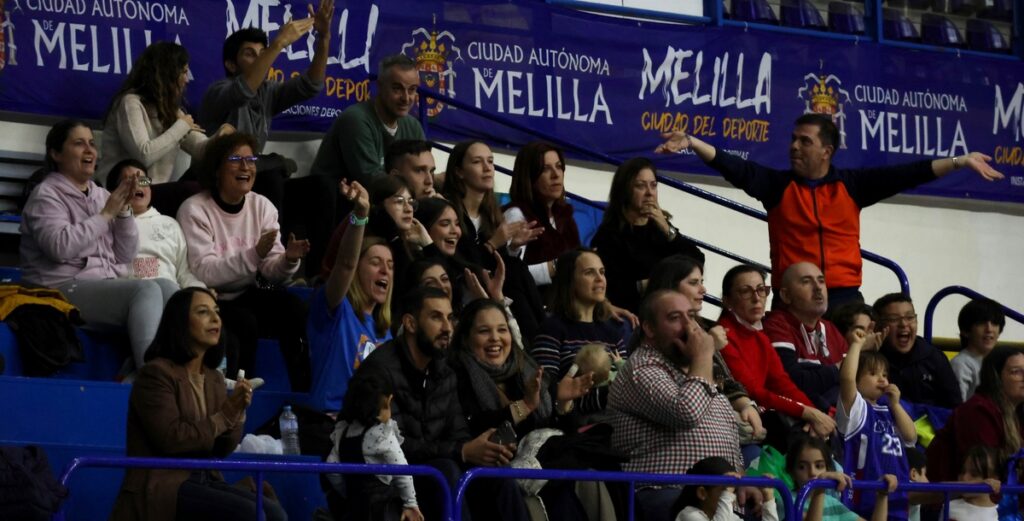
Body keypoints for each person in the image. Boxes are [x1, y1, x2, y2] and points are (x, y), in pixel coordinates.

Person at [657, 114, 1004, 309]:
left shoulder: (852, 186)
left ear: (827, 151)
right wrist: (692, 142)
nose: (794, 146)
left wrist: (961, 161)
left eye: (804, 141)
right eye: (793, 139)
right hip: (791, 299)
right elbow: (735, 167)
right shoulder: (777, 186)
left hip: (844, 298)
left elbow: (909, 173)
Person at [109, 287, 285, 521]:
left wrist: (238, 412)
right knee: (250, 513)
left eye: (217, 311)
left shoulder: (213, 378)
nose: (215, 319)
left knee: (275, 513)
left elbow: (222, 448)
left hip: (205, 478)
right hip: (163, 482)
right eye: (203, 312)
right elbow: (172, 439)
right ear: (180, 322)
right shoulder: (156, 374)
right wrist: (225, 415)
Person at [354, 286, 512, 521]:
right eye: (436, 317)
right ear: (410, 323)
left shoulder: (445, 370)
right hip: (386, 483)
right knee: (445, 471)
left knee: (497, 476)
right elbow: (389, 446)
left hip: (432, 475)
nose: (448, 328)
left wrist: (480, 449)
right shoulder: (380, 371)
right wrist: (462, 451)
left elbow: (458, 434)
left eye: (450, 318)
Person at [20, 119, 165, 369]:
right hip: (59, 289)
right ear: (56, 153)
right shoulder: (46, 195)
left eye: (91, 143)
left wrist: (124, 212)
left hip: (103, 284)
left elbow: (125, 255)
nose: (89, 150)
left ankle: (192, 375)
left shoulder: (101, 195)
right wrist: (106, 215)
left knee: (169, 288)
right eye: (79, 143)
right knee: (147, 290)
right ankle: (150, 377)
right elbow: (60, 247)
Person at [177, 133, 310, 388]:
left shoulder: (262, 207)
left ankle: (301, 391)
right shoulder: (194, 209)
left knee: (294, 308)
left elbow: (271, 270)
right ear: (216, 168)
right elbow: (205, 272)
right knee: (244, 322)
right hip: (212, 297)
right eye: (236, 159)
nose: (246, 166)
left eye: (251, 160)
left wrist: (288, 261)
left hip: (247, 290)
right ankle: (241, 400)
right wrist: (254, 254)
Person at [449, 297, 594, 520]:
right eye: (484, 331)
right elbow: (477, 427)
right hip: (489, 485)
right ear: (466, 338)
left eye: (502, 330)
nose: (495, 338)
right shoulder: (457, 373)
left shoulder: (524, 368)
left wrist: (564, 404)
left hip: (543, 477)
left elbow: (563, 434)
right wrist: (524, 406)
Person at [609, 289, 744, 520]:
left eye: (691, 316)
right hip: (665, 491)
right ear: (649, 328)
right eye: (674, 318)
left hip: (719, 498)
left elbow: (730, 437)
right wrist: (703, 357)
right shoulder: (641, 367)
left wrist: (743, 481)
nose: (689, 327)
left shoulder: (693, 369)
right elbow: (686, 413)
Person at [643, 256, 767, 458]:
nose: (703, 290)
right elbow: (687, 409)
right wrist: (706, 351)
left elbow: (727, 381)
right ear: (669, 287)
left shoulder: (704, 329)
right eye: (693, 283)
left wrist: (745, 404)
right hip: (682, 447)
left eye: (702, 282)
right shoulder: (654, 342)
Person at [441, 140, 547, 342]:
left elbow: (500, 264)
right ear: (459, 172)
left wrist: (513, 247)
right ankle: (540, 342)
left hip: (493, 289)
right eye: (477, 162)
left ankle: (543, 338)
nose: (487, 168)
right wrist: (493, 243)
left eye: (490, 161)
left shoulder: (491, 214)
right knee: (514, 270)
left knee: (515, 267)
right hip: (465, 289)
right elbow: (460, 262)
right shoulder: (448, 211)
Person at [716, 264, 833, 444]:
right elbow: (752, 390)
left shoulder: (760, 335)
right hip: (740, 419)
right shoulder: (723, 335)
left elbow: (782, 382)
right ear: (727, 300)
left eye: (761, 290)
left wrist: (812, 413)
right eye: (746, 292)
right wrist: (806, 412)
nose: (756, 299)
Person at [308, 180, 395, 412]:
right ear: (357, 271)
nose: (385, 271)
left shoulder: (386, 332)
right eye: (375, 263)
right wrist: (360, 215)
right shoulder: (335, 309)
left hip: (371, 429)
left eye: (390, 265)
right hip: (328, 422)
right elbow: (345, 264)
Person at [98, 41, 232, 185]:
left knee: (202, 182)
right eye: (184, 72)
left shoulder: (170, 110)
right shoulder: (130, 102)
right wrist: (182, 126)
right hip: (121, 188)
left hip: (150, 192)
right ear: (167, 74)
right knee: (189, 190)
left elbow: (202, 151)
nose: (187, 80)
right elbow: (144, 155)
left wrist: (220, 137)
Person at [592, 157, 705, 313]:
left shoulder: (660, 227)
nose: (649, 193)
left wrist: (667, 229)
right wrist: (655, 283)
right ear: (625, 190)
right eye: (640, 186)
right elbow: (612, 289)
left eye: (653, 185)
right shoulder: (609, 235)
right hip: (634, 314)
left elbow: (697, 260)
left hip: (668, 310)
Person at [530, 249, 629, 421]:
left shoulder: (613, 332)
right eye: (589, 272)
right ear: (570, 281)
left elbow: (627, 380)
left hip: (617, 422)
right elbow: (544, 393)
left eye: (602, 272)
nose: (600, 279)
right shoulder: (552, 329)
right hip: (572, 424)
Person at [309, 54, 425, 192]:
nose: (406, 98)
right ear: (380, 86)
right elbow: (372, 182)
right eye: (397, 88)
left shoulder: (413, 126)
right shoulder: (355, 120)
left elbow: (424, 170)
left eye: (412, 89)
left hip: (386, 201)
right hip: (334, 203)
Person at [837, 327, 915, 520]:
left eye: (885, 374)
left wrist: (895, 405)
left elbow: (911, 436)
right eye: (873, 373)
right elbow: (847, 379)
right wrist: (857, 345)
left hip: (896, 495)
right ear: (858, 379)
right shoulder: (857, 410)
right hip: (863, 497)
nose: (882, 379)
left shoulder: (890, 409)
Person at [106, 159, 205, 303]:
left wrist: (202, 292)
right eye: (129, 181)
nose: (137, 185)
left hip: (169, 294)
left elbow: (184, 273)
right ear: (113, 192)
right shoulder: (109, 224)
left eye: (144, 181)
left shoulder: (170, 224)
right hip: (129, 295)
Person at [327, 373, 423, 521]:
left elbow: (332, 469)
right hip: (382, 511)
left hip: (355, 511)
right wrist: (410, 503)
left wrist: (348, 492)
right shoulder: (381, 434)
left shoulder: (342, 432)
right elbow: (402, 469)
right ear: (385, 403)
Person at [926, 346, 1024, 482]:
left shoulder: (1018, 412)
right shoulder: (977, 411)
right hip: (953, 499)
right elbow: (982, 473)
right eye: (1016, 372)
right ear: (996, 377)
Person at [763, 262, 848, 412]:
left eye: (821, 281)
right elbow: (795, 381)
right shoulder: (776, 325)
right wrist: (839, 368)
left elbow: (854, 380)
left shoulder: (831, 329)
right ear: (786, 295)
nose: (818, 287)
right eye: (806, 282)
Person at [503, 141, 582, 289]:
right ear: (529, 177)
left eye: (559, 167)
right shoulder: (516, 215)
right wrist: (557, 267)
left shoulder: (564, 215)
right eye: (546, 169)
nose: (556, 175)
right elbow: (510, 274)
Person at [873, 293, 961, 408]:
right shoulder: (870, 359)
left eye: (910, 318)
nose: (904, 324)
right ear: (878, 326)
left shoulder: (934, 357)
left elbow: (954, 406)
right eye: (894, 319)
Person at [786, 435, 897, 521]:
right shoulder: (786, 500)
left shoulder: (832, 503)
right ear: (792, 472)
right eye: (802, 467)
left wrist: (882, 496)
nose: (812, 472)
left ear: (828, 469)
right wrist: (820, 487)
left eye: (819, 466)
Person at [671, 456, 779, 521]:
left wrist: (768, 499)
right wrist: (727, 495)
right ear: (702, 493)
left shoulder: (730, 516)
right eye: (725, 490)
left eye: (733, 491)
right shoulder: (688, 516)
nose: (731, 498)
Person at [951, 298, 1006, 401]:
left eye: (994, 323)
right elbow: (958, 409)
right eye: (981, 323)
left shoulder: (1001, 363)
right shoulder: (961, 364)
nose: (989, 329)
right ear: (966, 331)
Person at [943, 445, 1001, 521]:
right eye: (962, 472)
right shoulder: (949, 507)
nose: (964, 478)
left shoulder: (1003, 514)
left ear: (994, 479)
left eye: (974, 474)